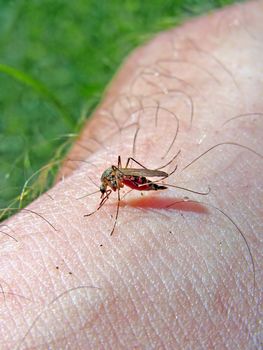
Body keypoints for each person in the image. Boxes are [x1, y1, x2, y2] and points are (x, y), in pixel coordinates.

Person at [1, 1, 262, 348]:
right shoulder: (111, 178)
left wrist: (117, 197)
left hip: (139, 177)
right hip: (134, 177)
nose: (108, 190)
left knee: (131, 178)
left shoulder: (118, 180)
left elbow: (118, 185)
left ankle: (153, 178)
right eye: (107, 187)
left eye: (106, 188)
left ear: (109, 183)